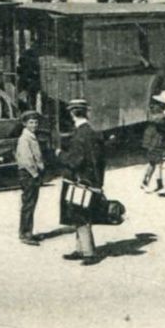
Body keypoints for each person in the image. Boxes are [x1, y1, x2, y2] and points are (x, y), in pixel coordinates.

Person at [59, 98, 106, 265]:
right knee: (80, 214)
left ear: (72, 113)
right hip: (91, 180)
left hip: (80, 180)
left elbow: (75, 161)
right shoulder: (91, 132)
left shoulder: (79, 135)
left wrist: (60, 155)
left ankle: (88, 253)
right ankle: (80, 249)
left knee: (80, 216)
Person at [15, 111, 46, 245]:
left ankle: (29, 232)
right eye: (31, 123)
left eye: (36, 122)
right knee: (28, 204)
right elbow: (27, 160)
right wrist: (36, 174)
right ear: (25, 124)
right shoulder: (24, 138)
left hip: (31, 174)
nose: (34, 125)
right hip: (29, 174)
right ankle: (25, 234)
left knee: (31, 203)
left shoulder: (30, 136)